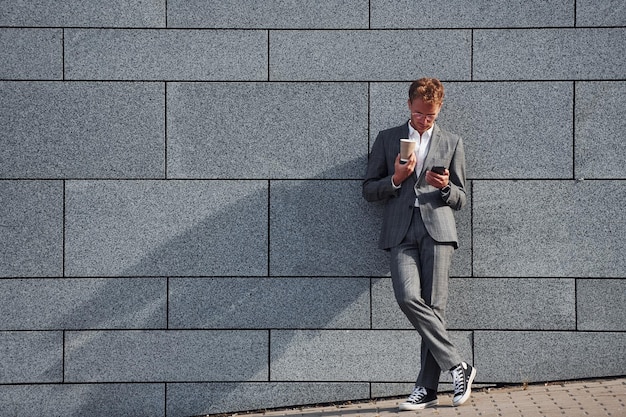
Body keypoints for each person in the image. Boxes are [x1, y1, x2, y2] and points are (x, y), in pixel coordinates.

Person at [363, 77, 476, 410]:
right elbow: (368, 189)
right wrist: (396, 179)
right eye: (419, 113)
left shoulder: (452, 142)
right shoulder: (387, 140)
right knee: (408, 297)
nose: (425, 121)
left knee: (435, 308)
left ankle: (426, 389)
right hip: (401, 232)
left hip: (438, 232)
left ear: (439, 110)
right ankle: (458, 365)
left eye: (431, 116)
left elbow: (461, 198)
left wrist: (444, 187)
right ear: (409, 105)